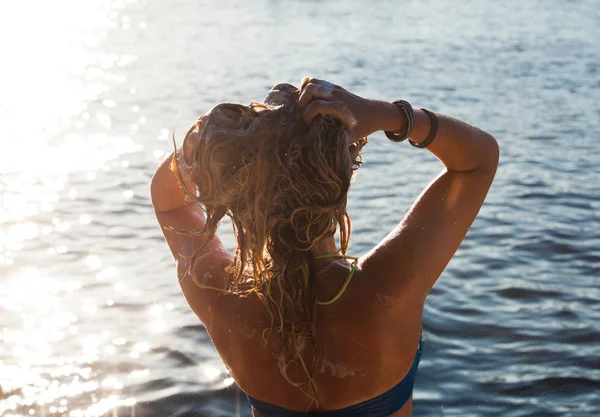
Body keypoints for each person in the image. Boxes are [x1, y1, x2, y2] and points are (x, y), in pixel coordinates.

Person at [150, 78, 499, 417]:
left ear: (239, 189)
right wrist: (389, 116)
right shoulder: (386, 290)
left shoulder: (221, 297)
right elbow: (478, 159)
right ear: (339, 178)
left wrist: (199, 151)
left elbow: (171, 206)